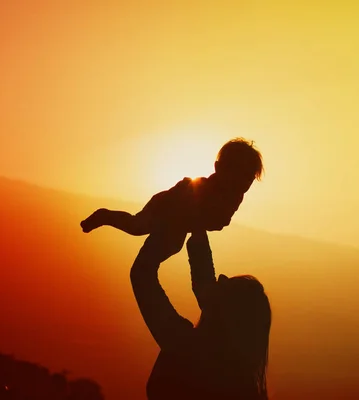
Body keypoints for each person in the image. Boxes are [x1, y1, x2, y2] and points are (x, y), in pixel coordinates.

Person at [130, 229, 272, 400]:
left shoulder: (183, 344)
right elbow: (206, 285)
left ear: (225, 314)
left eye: (226, 285)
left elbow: (142, 273)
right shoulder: (241, 381)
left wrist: (163, 240)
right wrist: (198, 230)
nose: (221, 277)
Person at [80, 138, 264, 239]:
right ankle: (104, 215)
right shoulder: (207, 188)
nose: (242, 184)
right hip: (163, 207)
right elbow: (195, 207)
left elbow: (219, 220)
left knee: (170, 246)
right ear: (219, 169)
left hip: (180, 223)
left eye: (248, 178)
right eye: (237, 175)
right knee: (137, 226)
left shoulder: (235, 195)